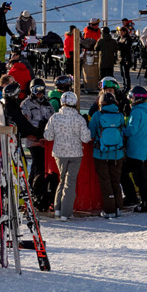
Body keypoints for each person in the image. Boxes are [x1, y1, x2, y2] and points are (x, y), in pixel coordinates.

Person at [43, 91, 90, 220]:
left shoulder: (55, 117)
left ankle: (57, 209)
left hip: (59, 153)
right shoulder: (79, 118)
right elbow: (86, 138)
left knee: (61, 180)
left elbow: (48, 136)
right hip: (75, 153)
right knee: (70, 182)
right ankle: (66, 213)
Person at [89, 90, 126, 218]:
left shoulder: (97, 116)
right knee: (116, 181)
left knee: (105, 181)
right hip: (118, 154)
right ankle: (118, 208)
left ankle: (109, 210)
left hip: (101, 154)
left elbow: (91, 134)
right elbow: (124, 132)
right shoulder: (120, 115)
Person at [121, 85, 147, 213]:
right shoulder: (146, 110)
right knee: (137, 176)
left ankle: (145, 203)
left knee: (134, 177)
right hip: (140, 149)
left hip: (134, 149)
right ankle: (139, 200)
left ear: (137, 98)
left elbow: (132, 130)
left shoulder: (136, 111)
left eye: (131, 97)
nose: (130, 99)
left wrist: (121, 131)